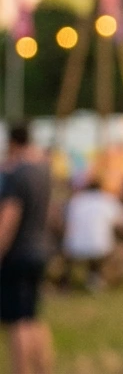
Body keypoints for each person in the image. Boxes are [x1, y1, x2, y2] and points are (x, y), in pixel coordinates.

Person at [0, 124, 55, 374]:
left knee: (18, 322)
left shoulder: (17, 175)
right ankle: (44, 369)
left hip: (18, 254)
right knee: (33, 317)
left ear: (12, 142)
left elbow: (9, 218)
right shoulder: (44, 170)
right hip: (40, 249)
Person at [62, 176, 123, 290]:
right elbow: (122, 223)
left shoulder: (76, 200)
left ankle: (66, 283)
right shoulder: (107, 200)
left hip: (74, 247)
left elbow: (66, 223)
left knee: (86, 246)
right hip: (100, 247)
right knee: (102, 246)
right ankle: (94, 279)